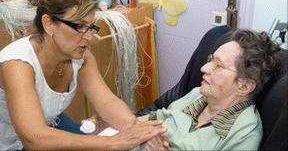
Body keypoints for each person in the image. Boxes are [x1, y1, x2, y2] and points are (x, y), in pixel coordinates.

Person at [0, 0, 166, 150]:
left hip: (47, 123)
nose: (89, 36)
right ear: (49, 24)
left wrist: (138, 130)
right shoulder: (17, 65)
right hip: (5, 143)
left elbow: (106, 102)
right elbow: (34, 139)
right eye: (79, 26)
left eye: (92, 27)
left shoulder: (81, 57)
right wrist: (112, 142)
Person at [90, 29, 282, 150]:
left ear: (244, 86)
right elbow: (156, 117)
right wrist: (115, 124)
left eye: (218, 66)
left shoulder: (244, 134)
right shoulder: (198, 95)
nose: (204, 69)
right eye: (210, 60)